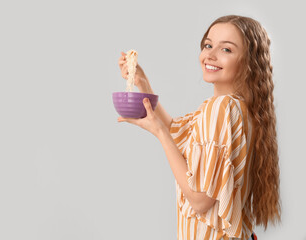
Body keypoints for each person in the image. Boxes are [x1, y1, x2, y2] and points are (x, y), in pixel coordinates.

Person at [117, 15, 281, 240]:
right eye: (208, 45)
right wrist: (142, 83)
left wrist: (159, 132)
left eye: (227, 50)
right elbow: (178, 132)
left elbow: (199, 199)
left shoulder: (221, 108)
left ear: (248, 63)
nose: (210, 55)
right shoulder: (240, 109)